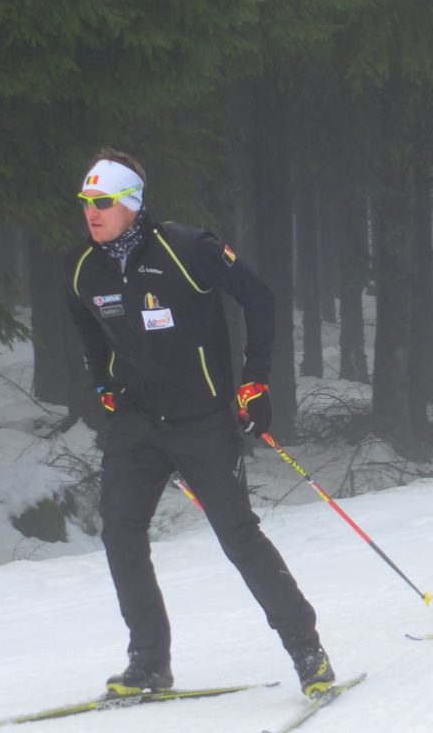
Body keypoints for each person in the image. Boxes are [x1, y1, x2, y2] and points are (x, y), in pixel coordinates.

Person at [64, 147, 334, 697]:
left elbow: (259, 299)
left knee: (238, 535)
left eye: (104, 202)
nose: (91, 212)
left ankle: (308, 653)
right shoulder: (83, 268)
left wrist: (256, 381)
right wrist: (102, 384)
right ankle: (148, 663)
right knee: (120, 531)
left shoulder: (187, 248)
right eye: (86, 202)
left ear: (132, 205)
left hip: (201, 418)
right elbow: (86, 324)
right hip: (138, 421)